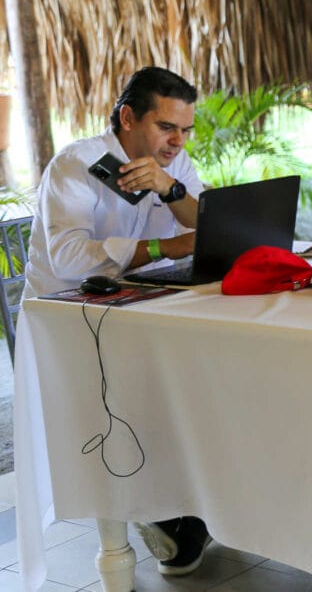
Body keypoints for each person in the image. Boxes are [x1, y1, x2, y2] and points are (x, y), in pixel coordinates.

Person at [23, 67, 214, 576]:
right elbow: (68, 259)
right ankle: (151, 510)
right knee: (125, 415)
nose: (178, 141)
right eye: (166, 127)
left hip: (138, 307)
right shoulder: (78, 164)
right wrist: (161, 247)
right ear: (128, 118)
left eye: (185, 130)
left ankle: (185, 508)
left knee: (197, 386)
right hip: (67, 321)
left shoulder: (174, 163)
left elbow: (205, 224)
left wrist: (171, 189)